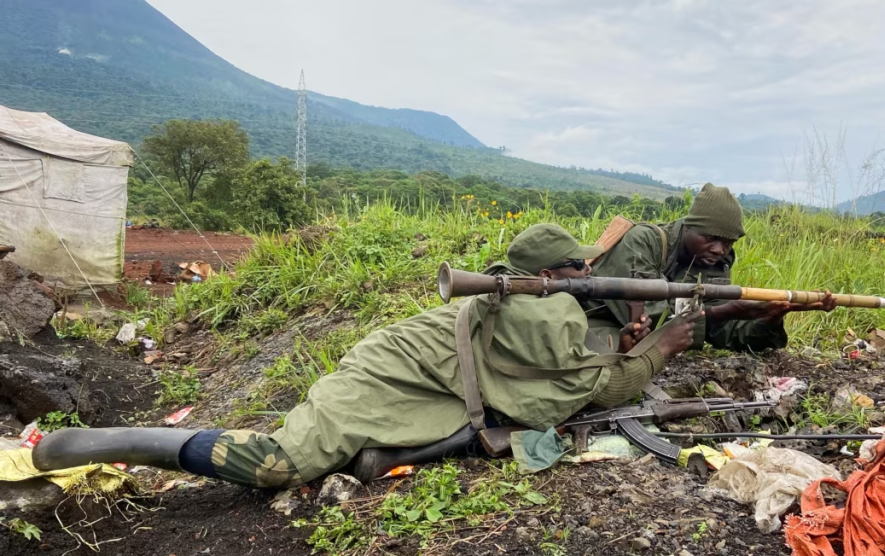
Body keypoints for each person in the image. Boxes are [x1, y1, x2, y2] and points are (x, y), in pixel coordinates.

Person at [32, 224, 698, 487]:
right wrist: (662, 348)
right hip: (387, 374)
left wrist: (625, 347)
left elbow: (570, 365)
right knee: (278, 465)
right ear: (547, 276)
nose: (585, 280)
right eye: (574, 271)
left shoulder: (537, 308)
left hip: (431, 385)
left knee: (376, 456)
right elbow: (599, 390)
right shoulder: (536, 309)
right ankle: (123, 440)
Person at [583, 183, 837, 353]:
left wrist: (772, 316)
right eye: (710, 238)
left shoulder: (715, 262)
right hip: (590, 324)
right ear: (688, 226)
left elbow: (724, 333)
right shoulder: (644, 241)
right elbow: (650, 318)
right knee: (608, 354)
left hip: (634, 336)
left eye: (728, 243)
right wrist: (725, 311)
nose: (719, 250)